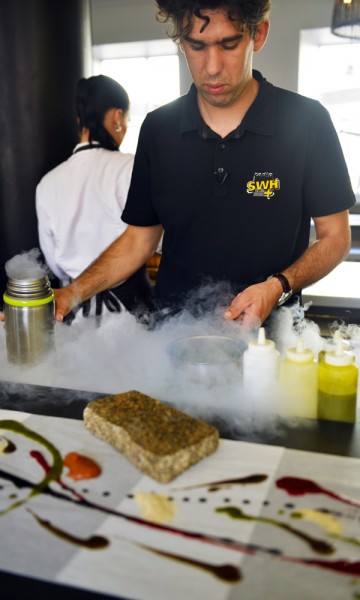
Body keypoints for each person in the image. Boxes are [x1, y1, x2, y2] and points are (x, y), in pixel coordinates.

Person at [53, 1, 355, 329]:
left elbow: (336, 236)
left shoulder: (307, 121)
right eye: (196, 45)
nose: (212, 67)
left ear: (259, 34)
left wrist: (277, 286)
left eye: (229, 44)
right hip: (172, 339)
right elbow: (139, 240)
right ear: (181, 41)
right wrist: (73, 292)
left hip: (271, 343)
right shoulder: (158, 129)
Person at [36, 74, 154, 323]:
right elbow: (153, 240)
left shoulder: (47, 183)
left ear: (80, 121)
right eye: (127, 119)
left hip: (71, 314)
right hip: (130, 314)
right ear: (116, 117)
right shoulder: (131, 167)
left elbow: (54, 264)